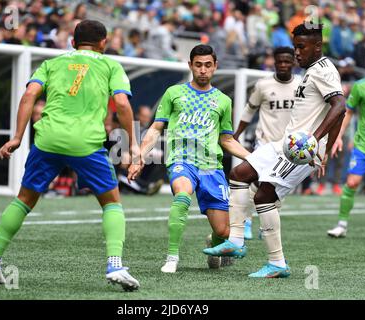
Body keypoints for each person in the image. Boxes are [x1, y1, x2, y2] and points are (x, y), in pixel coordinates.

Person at [0, 20, 140, 291]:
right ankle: (114, 264)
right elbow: (122, 103)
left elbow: (29, 94)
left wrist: (18, 136)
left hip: (48, 139)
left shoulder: (52, 63)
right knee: (111, 202)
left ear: (72, 42)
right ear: (104, 43)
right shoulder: (111, 65)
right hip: (85, 143)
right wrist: (132, 146)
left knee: (24, 200)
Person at [204, 22, 346, 278]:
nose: (297, 53)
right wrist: (323, 147)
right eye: (295, 48)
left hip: (299, 151)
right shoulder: (312, 71)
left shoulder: (325, 70)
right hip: (287, 143)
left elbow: (340, 106)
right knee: (239, 173)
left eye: (302, 47)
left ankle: (277, 264)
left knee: (263, 197)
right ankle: (236, 240)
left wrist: (315, 144)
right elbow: (338, 111)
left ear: (317, 46)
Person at [128, 44, 250, 273]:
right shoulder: (174, 93)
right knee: (182, 195)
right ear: (190, 66)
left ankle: (213, 244)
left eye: (207, 65)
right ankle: (172, 257)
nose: (203, 70)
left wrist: (252, 158)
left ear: (215, 67)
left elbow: (227, 140)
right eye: (198, 65)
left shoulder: (223, 101)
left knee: (223, 231)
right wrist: (139, 157)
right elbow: (155, 128)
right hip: (181, 159)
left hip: (211, 166)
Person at [233, 46, 300, 240]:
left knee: (276, 188)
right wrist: (236, 134)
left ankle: (267, 225)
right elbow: (249, 110)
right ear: (274, 62)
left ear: (293, 62)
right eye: (279, 61)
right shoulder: (263, 85)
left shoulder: (301, 85)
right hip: (264, 142)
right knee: (253, 180)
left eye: (287, 61)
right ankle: (246, 221)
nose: (283, 65)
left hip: (289, 146)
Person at [327, 43, 365, 240]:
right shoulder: (361, 86)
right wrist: (338, 137)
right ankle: (341, 225)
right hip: (363, 144)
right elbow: (349, 112)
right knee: (352, 182)